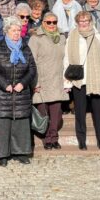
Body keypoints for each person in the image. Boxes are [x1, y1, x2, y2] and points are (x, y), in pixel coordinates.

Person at [0, 16, 38, 166]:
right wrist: (5, 85)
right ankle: (2, 155)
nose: (16, 33)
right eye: (13, 30)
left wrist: (23, 83)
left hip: (21, 92)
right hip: (2, 93)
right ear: (6, 31)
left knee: (21, 124)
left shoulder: (25, 48)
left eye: (18, 30)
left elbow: (32, 69)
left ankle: (21, 152)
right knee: (3, 124)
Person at [64, 11, 100, 150]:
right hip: (79, 80)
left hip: (96, 78)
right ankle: (82, 140)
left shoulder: (97, 36)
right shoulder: (72, 37)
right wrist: (67, 82)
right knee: (80, 112)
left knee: (98, 112)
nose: (84, 23)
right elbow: (67, 60)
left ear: (90, 22)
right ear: (77, 23)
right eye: (81, 21)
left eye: (86, 21)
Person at [28, 11, 68, 150]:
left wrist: (67, 81)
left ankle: (54, 138)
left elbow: (66, 59)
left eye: (54, 22)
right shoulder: (36, 38)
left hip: (57, 80)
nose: (52, 25)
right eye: (48, 22)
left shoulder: (62, 37)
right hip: (42, 81)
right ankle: (46, 139)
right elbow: (31, 61)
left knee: (56, 114)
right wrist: (35, 83)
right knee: (43, 114)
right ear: (43, 23)